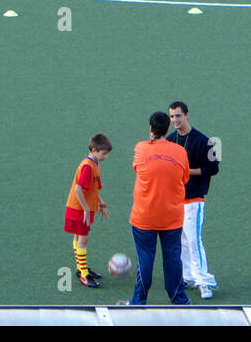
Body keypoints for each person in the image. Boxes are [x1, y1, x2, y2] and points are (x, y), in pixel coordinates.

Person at [121, 111, 191, 306]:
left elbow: (137, 168)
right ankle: (179, 299)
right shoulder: (180, 151)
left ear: (151, 129)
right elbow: (184, 178)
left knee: (145, 260)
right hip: (172, 217)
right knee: (173, 259)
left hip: (144, 217)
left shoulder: (140, 148)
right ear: (168, 129)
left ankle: (138, 301)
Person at [166, 101, 219, 299]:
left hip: (194, 199)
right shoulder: (170, 140)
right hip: (174, 199)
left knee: (194, 240)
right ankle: (188, 276)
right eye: (172, 117)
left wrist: (187, 172)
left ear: (187, 115)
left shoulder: (203, 141)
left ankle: (205, 281)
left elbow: (213, 168)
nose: (175, 120)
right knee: (181, 240)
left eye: (178, 116)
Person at [63, 133, 112, 289]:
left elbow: (94, 189)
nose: (105, 157)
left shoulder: (95, 164)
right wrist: (85, 209)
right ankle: (83, 273)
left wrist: (102, 205)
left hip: (83, 208)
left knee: (79, 237)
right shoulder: (88, 167)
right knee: (83, 239)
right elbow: (78, 190)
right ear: (93, 150)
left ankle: (81, 268)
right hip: (79, 208)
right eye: (103, 153)